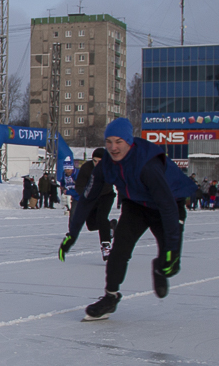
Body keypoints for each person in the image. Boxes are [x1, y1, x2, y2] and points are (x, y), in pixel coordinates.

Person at [59, 117, 196, 320]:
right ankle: (110, 297)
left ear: (129, 142)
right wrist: (72, 233)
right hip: (136, 205)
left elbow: (167, 207)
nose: (113, 148)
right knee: (119, 252)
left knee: (170, 264)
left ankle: (160, 267)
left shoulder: (147, 166)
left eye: (118, 142)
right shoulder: (105, 164)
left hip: (167, 204)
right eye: (109, 142)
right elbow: (87, 199)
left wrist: (172, 249)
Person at [72, 147, 115, 258]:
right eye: (94, 161)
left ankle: (106, 246)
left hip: (106, 195)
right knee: (91, 225)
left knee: (101, 217)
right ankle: (110, 226)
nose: (96, 164)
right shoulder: (86, 168)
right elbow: (79, 186)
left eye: (99, 162)